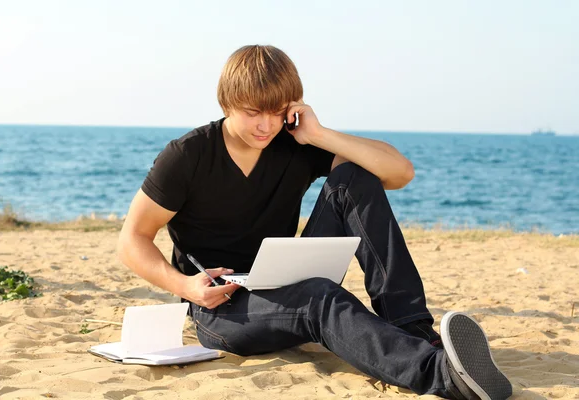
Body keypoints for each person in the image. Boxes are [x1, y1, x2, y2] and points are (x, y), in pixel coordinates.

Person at [117, 45, 512, 399]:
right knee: (319, 297)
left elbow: (400, 173)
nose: (265, 126)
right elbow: (133, 238)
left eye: (275, 113)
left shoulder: (292, 144)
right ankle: (437, 373)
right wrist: (185, 286)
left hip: (285, 275)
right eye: (253, 112)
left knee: (354, 177)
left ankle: (413, 330)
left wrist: (318, 134)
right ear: (226, 102)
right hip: (220, 308)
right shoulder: (188, 155)